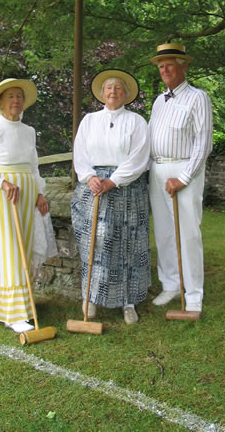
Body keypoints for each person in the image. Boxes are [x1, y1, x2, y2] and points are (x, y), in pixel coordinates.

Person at [0, 78, 49, 334]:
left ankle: (21, 303)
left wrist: (39, 193)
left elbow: (33, 166)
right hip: (0, 199)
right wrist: (1, 182)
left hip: (24, 197)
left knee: (22, 248)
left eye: (19, 96)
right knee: (7, 250)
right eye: (10, 96)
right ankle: (10, 313)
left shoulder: (29, 131)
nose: (16, 100)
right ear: (1, 103)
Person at [71, 69, 150, 324]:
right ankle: (91, 298)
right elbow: (80, 153)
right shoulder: (90, 120)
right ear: (101, 93)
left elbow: (139, 157)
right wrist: (90, 177)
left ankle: (128, 302)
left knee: (128, 243)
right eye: (108, 88)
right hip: (94, 187)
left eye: (118, 88)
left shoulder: (137, 122)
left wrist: (113, 180)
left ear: (126, 94)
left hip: (126, 188)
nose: (113, 91)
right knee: (95, 243)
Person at [148, 44, 213, 319]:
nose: (164, 70)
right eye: (161, 66)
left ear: (183, 67)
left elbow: (203, 142)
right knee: (163, 232)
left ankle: (194, 294)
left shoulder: (198, 98)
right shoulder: (159, 101)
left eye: (170, 65)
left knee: (187, 234)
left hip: (184, 171)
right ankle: (171, 285)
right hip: (157, 170)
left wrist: (184, 177)